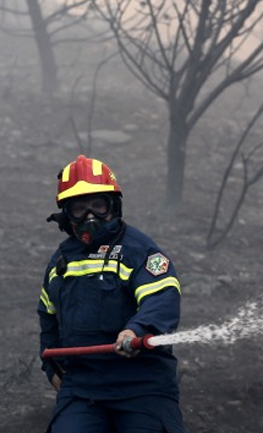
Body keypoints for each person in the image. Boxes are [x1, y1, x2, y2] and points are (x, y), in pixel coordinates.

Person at [38, 155, 184, 433]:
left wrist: (136, 331)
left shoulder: (139, 251)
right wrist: (51, 368)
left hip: (143, 388)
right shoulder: (60, 263)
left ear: (113, 206)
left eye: (98, 205)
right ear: (66, 214)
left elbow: (162, 297)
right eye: (79, 208)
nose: (90, 216)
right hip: (82, 390)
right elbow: (47, 319)